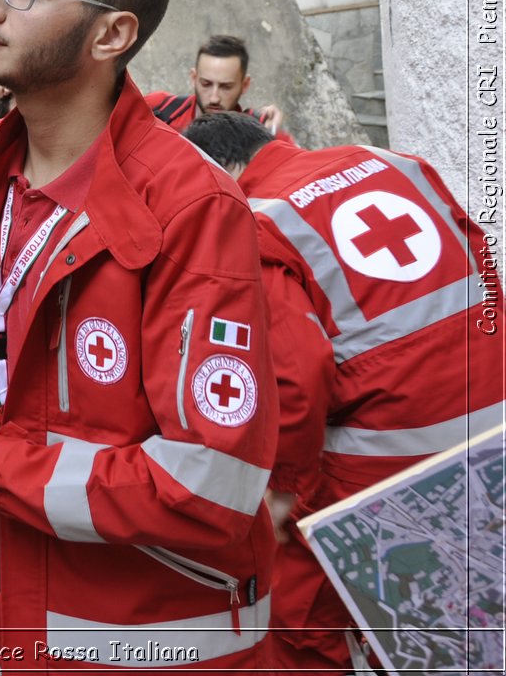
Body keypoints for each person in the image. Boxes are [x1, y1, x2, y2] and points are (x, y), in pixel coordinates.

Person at [0, 0, 280, 671]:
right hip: (20, 605)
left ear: (111, 34)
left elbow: (212, 483)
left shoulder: (193, 208)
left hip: (152, 637)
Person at [183, 111, 504, 672]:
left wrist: (284, 491)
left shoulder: (254, 220)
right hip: (495, 421)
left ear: (220, 171)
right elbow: (483, 261)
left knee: (301, 609)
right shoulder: (394, 162)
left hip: (392, 453)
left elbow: (295, 377)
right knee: (478, 600)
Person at [143, 34, 292, 140]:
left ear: (244, 85)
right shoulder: (159, 109)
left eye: (226, 87)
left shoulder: (262, 129)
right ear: (194, 78)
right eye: (206, 84)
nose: (214, 97)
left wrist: (270, 136)